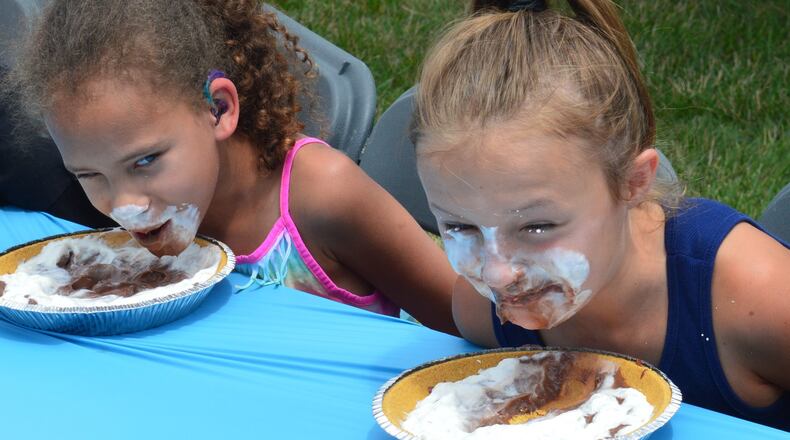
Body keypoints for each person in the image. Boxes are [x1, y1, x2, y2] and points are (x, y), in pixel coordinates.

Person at [412, 0, 789, 428]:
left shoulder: (761, 301)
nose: (497, 274)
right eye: (460, 226)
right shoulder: (482, 314)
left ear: (633, 182)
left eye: (537, 226)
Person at [5, 0, 458, 335]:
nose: (124, 206)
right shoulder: (146, 216)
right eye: (88, 175)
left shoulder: (322, 196)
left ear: (218, 109)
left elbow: (465, 320)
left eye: (146, 161)